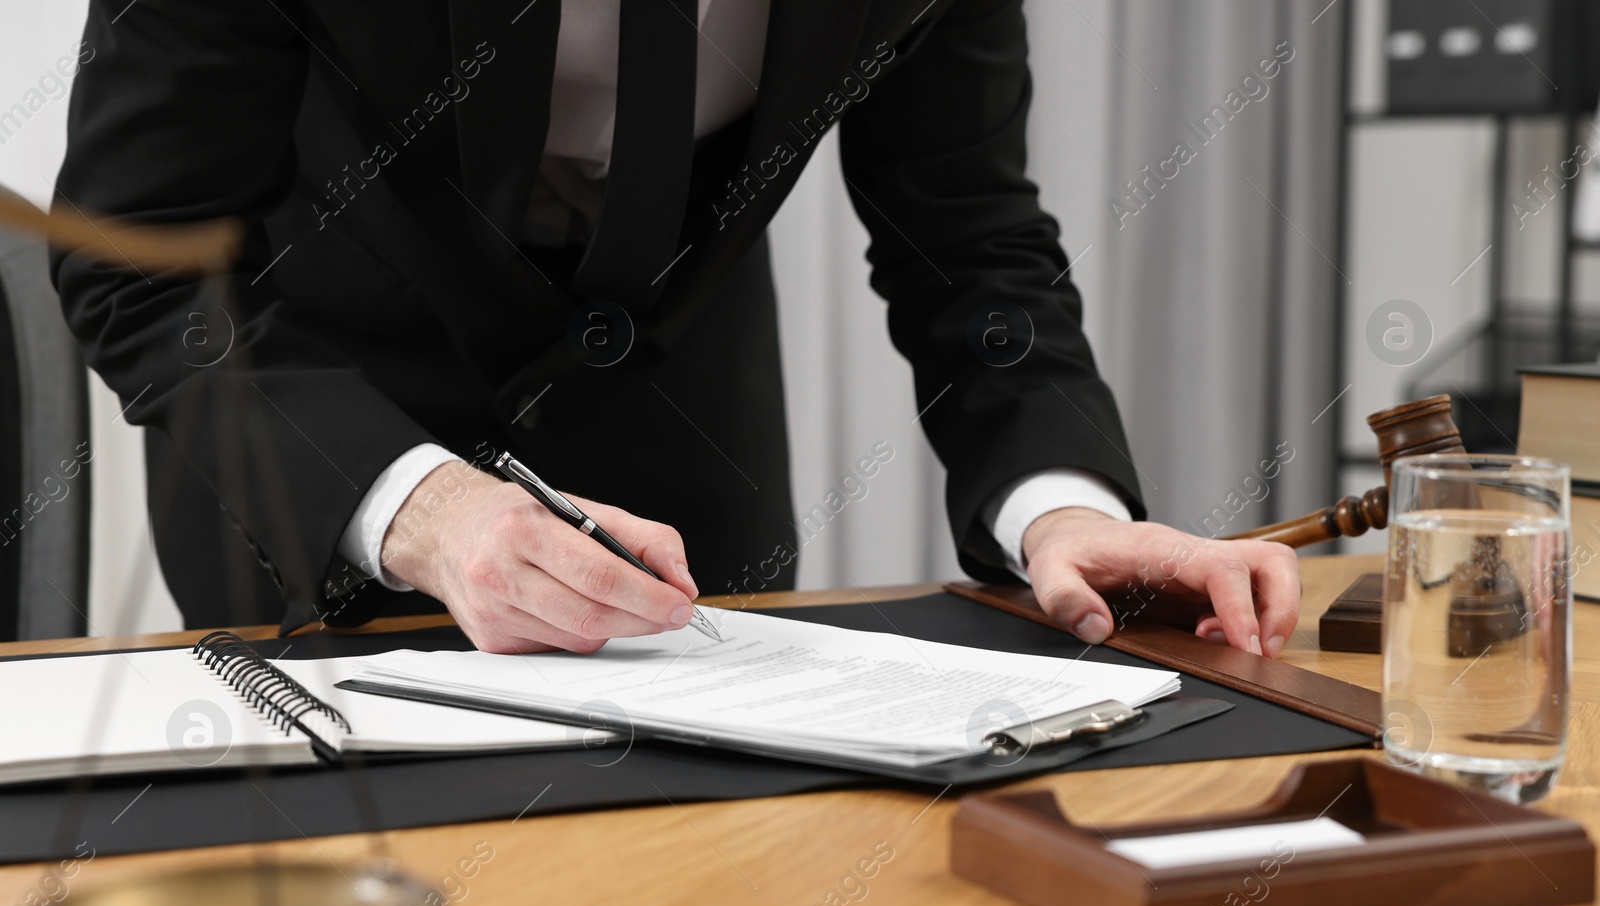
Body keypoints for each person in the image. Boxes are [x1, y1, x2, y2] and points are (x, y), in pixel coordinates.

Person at [52, 0, 1299, 656]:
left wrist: (1060, 504)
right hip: (317, 444)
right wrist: (422, 511)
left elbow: (969, 240)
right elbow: (141, 263)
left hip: (689, 456)